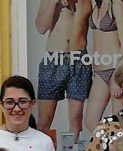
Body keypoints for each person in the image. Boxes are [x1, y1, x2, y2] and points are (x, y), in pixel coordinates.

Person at [35, 0, 91, 142]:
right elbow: (41, 28)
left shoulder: (87, 2)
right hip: (53, 58)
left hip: (79, 59)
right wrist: (54, 3)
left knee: (76, 119)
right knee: (44, 120)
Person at [83, 0, 123, 133]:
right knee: (90, 121)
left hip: (116, 69)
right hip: (99, 70)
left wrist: (117, 77)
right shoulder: (94, 4)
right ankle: (111, 147)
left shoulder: (116, 4)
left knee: (120, 122)